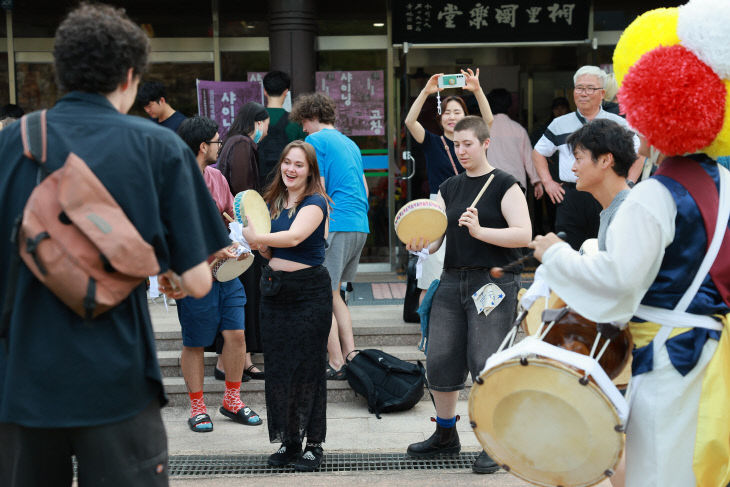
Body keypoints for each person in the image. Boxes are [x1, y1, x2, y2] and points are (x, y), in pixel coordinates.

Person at [0, 4, 229, 486]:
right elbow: (197, 281)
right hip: (118, 381)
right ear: (129, 76)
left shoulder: (12, 144)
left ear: (60, 72)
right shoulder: (160, 147)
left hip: (22, 381)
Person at [530, 4, 730, 485]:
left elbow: (618, 286)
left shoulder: (655, 195)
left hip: (666, 358)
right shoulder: (724, 182)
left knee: (660, 471)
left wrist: (554, 254)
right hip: (715, 354)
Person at [405, 116, 532, 475]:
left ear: (485, 143)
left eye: (468, 145)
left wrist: (480, 231)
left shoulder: (506, 185)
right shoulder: (449, 187)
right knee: (441, 358)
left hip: (494, 283)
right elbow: (437, 238)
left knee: (486, 362)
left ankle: (495, 441)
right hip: (451, 280)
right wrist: (420, 243)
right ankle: (445, 434)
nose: (461, 151)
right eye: (457, 145)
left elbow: (524, 235)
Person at [242, 140, 332, 472]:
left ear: (310, 171)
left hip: (309, 293)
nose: (290, 169)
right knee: (279, 370)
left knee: (308, 369)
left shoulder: (316, 201)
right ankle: (288, 440)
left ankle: (314, 444)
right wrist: (256, 244)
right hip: (274, 292)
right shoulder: (273, 202)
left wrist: (259, 238)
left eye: (299, 164)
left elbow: (294, 238)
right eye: (287, 163)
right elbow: (269, 253)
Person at [175, 115, 262, 431]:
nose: (220, 146)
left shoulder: (217, 178)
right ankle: (197, 406)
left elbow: (229, 221)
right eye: (216, 141)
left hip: (228, 272)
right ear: (202, 146)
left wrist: (239, 241)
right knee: (195, 341)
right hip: (195, 275)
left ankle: (232, 400)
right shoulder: (174, 181)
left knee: (237, 335)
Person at [290, 92, 369, 380]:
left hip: (335, 221)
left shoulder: (315, 141)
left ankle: (335, 361)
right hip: (359, 222)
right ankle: (351, 355)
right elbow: (365, 188)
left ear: (310, 117)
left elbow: (317, 188)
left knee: (323, 292)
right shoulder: (351, 143)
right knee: (335, 293)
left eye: (303, 123)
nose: (303, 130)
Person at [404, 69, 494, 303]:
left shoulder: (474, 142)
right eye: (447, 112)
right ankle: (428, 336)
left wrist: (477, 89)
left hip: (471, 206)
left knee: (472, 271)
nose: (451, 116)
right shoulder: (432, 141)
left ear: (466, 116)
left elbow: (489, 121)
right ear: (440, 116)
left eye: (457, 112)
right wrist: (426, 91)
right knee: (433, 277)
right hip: (439, 208)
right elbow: (409, 121)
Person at [532, 65, 642, 250]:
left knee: (607, 248)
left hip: (608, 196)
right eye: (579, 88)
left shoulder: (618, 124)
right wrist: (547, 181)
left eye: (590, 88)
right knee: (568, 250)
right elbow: (538, 152)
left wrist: (629, 184)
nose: (584, 93)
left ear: (602, 94)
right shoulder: (559, 123)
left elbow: (639, 154)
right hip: (572, 197)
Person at [215, 101, 270, 381]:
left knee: (241, 296)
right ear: (258, 123)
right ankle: (231, 362)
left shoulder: (233, 143)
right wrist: (252, 226)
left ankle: (239, 359)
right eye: (266, 125)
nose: (267, 131)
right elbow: (243, 191)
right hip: (241, 234)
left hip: (235, 232)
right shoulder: (242, 144)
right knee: (244, 294)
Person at [566, 118, 636, 249]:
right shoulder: (615, 208)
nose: (573, 168)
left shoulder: (627, 213)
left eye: (578, 159)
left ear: (605, 160)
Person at [485, 88, 542, 196]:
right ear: (509, 105)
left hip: (489, 183)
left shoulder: (483, 129)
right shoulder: (519, 129)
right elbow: (529, 159)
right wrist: (536, 181)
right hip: (516, 183)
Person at [257, 70, 307, 188]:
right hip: (287, 186)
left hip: (258, 186)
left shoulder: (254, 121)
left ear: (264, 91)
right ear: (286, 92)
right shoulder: (296, 123)